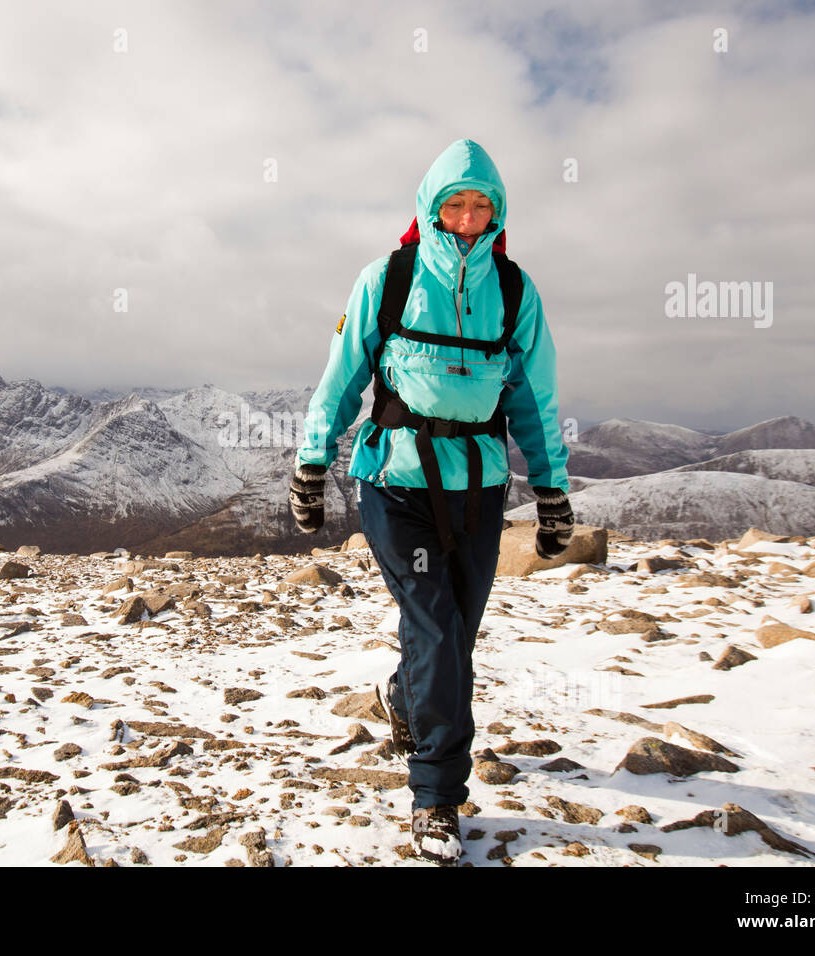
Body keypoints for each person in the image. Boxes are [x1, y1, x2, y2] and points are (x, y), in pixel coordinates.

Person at [288, 138, 575, 865]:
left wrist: (551, 492)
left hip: (480, 488)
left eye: (484, 205)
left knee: (455, 635)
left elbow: (534, 401)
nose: (470, 217)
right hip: (397, 483)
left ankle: (406, 693)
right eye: (457, 203)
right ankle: (437, 799)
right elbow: (343, 376)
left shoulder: (514, 291)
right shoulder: (388, 279)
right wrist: (313, 463)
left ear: (498, 211)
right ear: (431, 206)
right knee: (439, 628)